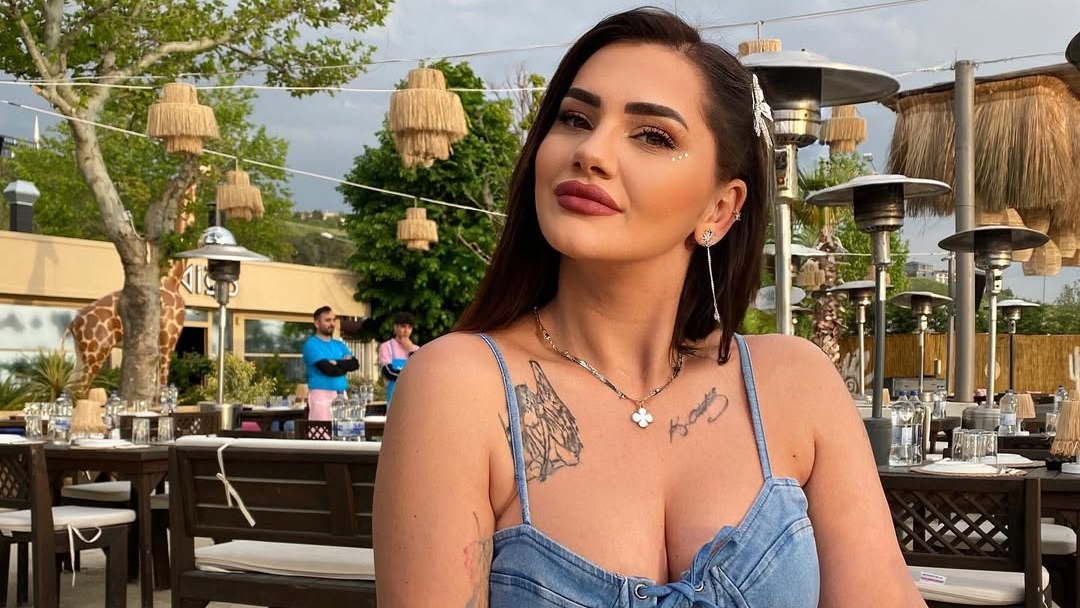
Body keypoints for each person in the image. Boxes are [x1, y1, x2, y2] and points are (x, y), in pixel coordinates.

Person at [373, 8, 923, 607]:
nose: (591, 151)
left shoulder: (794, 384)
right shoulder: (460, 388)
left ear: (719, 209)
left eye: (652, 136)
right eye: (575, 119)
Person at [302, 306, 358, 420]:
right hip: (321, 396)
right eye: (327, 320)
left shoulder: (339, 345)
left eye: (334, 320)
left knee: (343, 430)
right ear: (317, 323)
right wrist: (344, 366)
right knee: (322, 430)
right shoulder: (311, 345)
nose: (332, 323)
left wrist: (336, 362)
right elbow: (328, 370)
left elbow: (355, 364)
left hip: (342, 395)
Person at [378, 312, 420, 404]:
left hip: (413, 394)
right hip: (394, 395)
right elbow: (388, 372)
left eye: (409, 327)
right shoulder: (386, 346)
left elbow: (420, 372)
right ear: (395, 327)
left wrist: (410, 350)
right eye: (403, 326)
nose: (406, 330)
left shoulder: (417, 349)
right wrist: (410, 376)